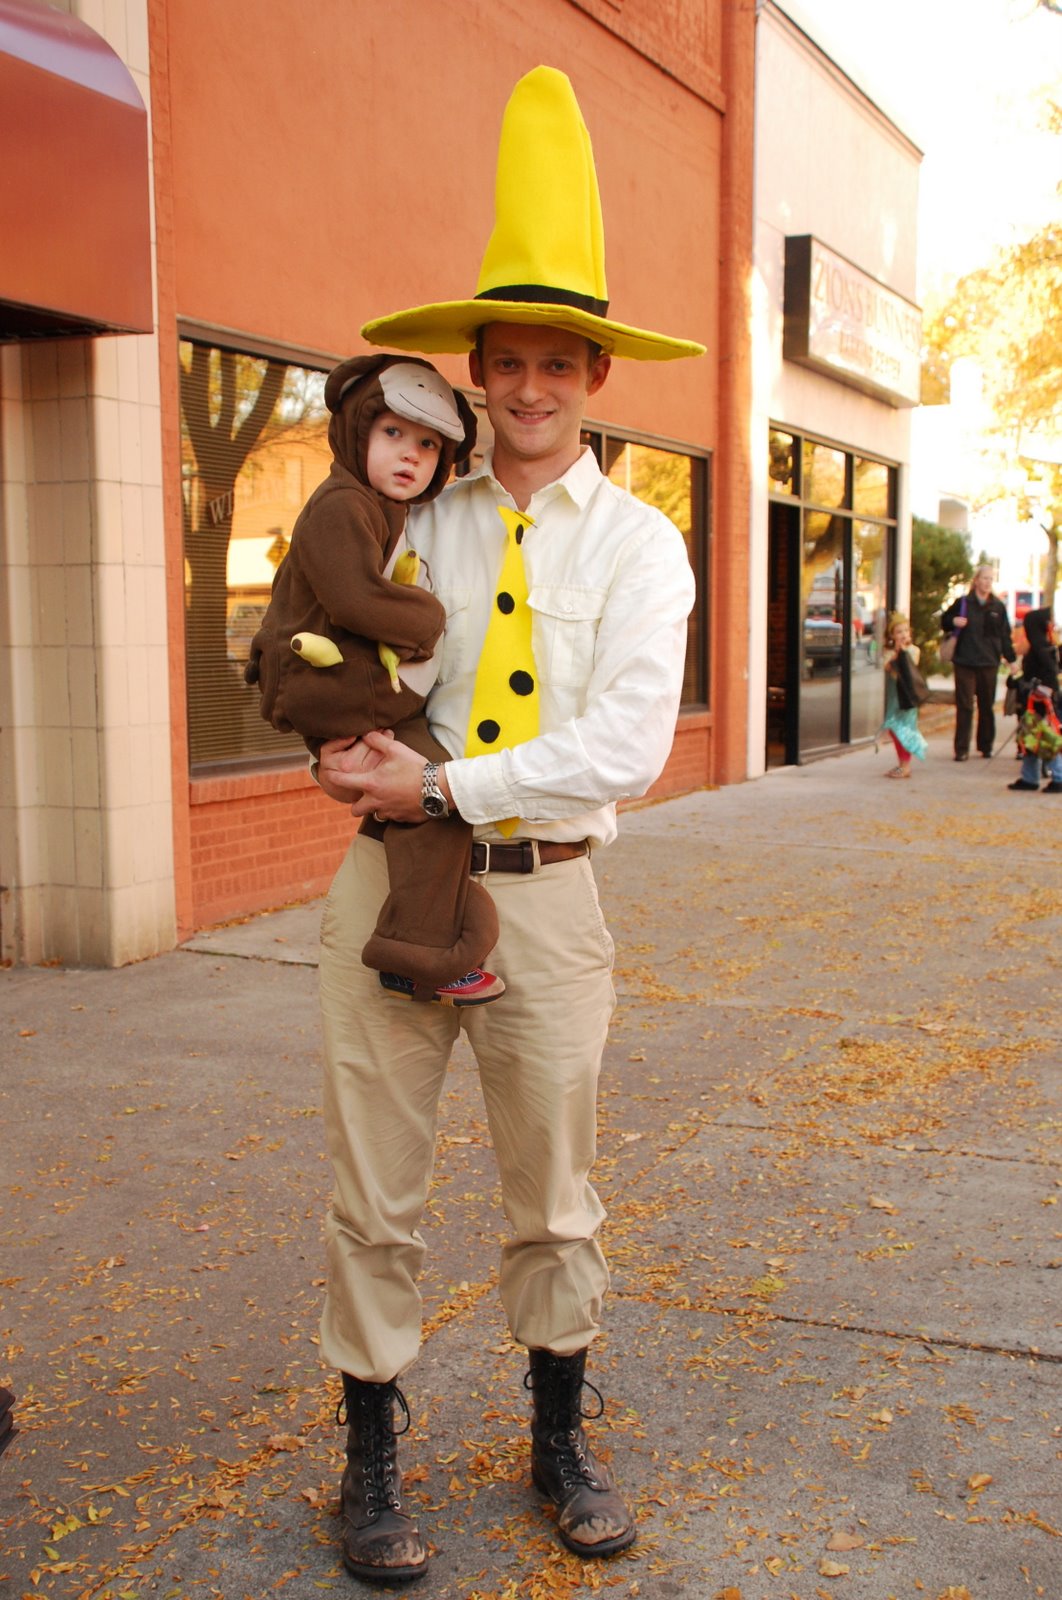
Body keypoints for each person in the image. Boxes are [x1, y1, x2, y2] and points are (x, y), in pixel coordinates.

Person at [311, 66, 704, 1585]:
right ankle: (371, 1464)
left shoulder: (645, 540)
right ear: (473, 371)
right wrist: (327, 717)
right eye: (508, 362)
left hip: (540, 896)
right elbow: (338, 637)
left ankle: (556, 1441)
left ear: (594, 378)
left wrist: (444, 784)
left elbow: (624, 743)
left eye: (559, 363)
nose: (530, 388)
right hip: (384, 889)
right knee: (373, 1189)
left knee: (552, 1193)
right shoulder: (413, 514)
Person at [245, 353, 505, 1006]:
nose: (410, 455)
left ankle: (420, 936)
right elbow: (356, 597)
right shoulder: (340, 505)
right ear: (356, 429)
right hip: (334, 689)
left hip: (348, 687)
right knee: (435, 793)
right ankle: (416, 954)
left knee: (427, 802)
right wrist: (428, 618)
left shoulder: (377, 505)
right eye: (392, 433)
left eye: (427, 444)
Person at [941, 565, 1015, 760]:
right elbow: (944, 620)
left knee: (986, 706)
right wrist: (953, 621)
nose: (987, 582)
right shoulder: (963, 602)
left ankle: (985, 745)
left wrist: (1011, 659)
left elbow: (1005, 636)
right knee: (965, 706)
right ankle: (961, 749)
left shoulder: (998, 607)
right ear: (976, 580)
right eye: (984, 578)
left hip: (989, 662)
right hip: (965, 660)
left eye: (991, 579)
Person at [1007, 605, 1062, 793]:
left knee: (1047, 738)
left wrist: (1035, 688)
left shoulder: (1041, 649)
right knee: (1030, 738)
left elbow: (1049, 678)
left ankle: (1059, 776)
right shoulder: (1043, 647)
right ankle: (1030, 777)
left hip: (1042, 702)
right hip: (1033, 702)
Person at [879, 612, 927, 778]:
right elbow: (889, 669)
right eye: (899, 632)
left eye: (906, 631)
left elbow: (908, 669)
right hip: (895, 697)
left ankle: (905, 765)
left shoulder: (914, 651)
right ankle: (901, 763)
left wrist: (902, 653)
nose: (903, 634)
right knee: (894, 728)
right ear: (892, 635)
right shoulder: (888, 653)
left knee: (905, 729)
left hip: (907, 696)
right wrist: (897, 653)